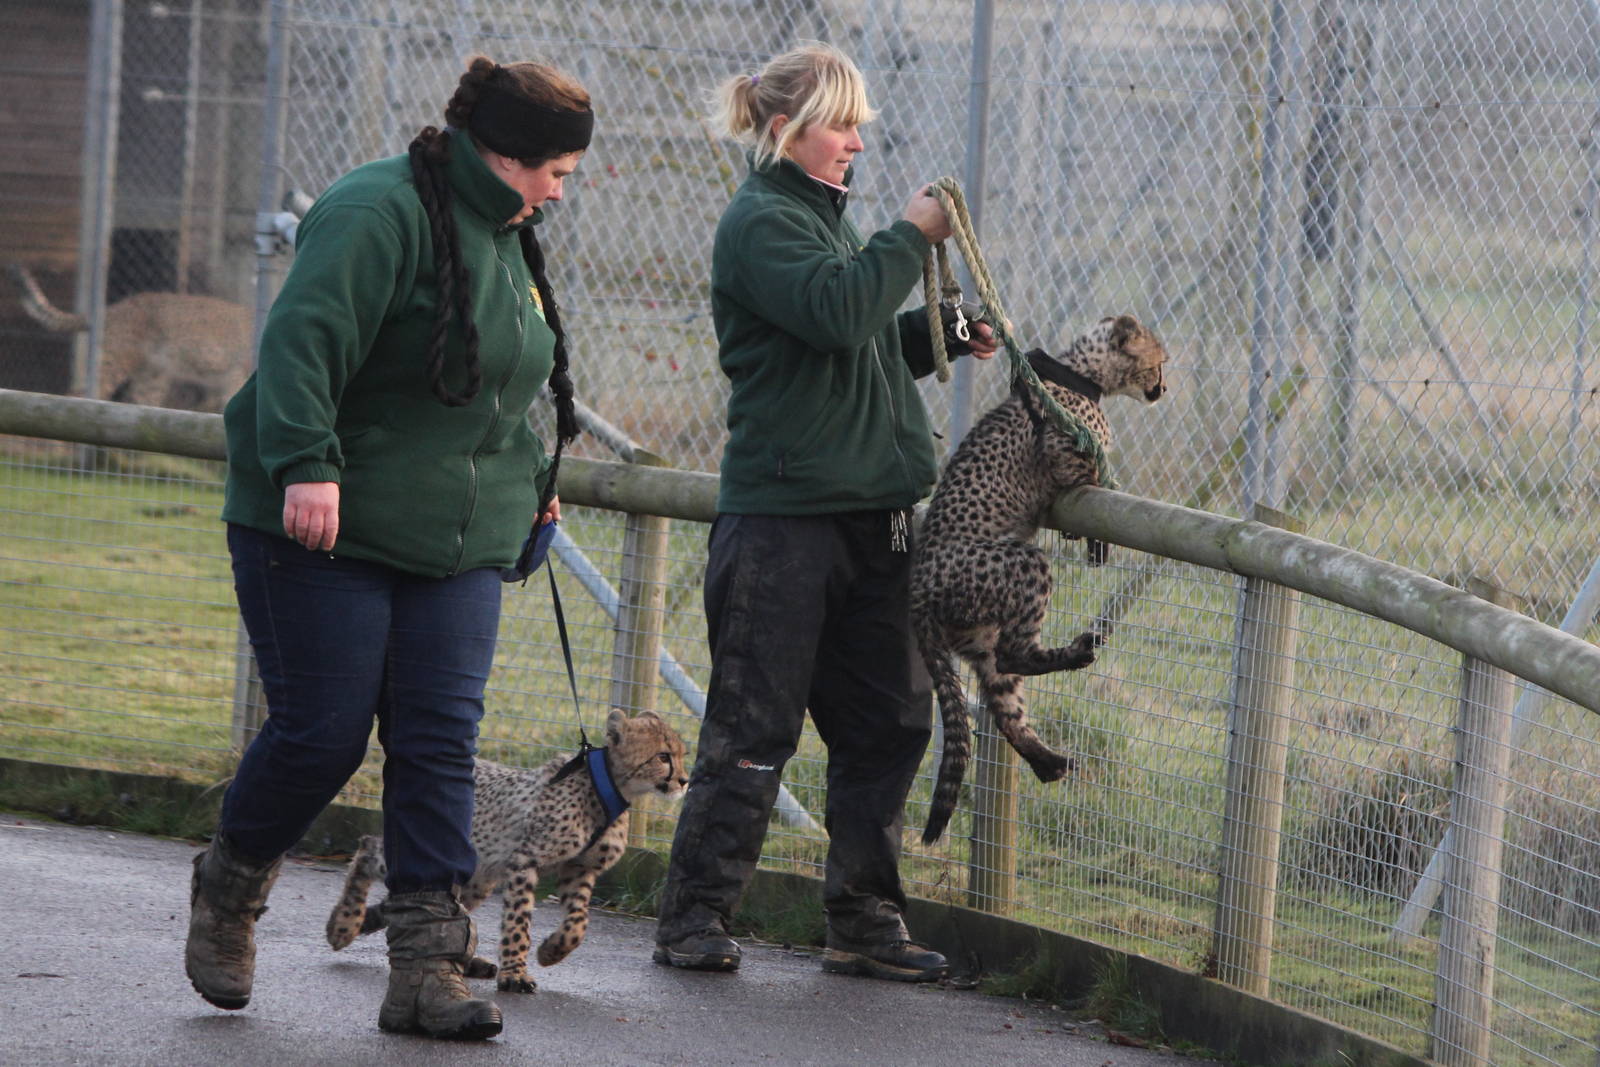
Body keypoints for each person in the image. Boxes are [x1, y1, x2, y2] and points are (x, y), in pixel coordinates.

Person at [184, 55, 592, 1041]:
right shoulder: (376, 211)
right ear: (504, 155)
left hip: (454, 540)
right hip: (327, 516)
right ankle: (230, 886)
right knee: (323, 730)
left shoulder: (505, 236)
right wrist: (304, 463)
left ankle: (426, 969)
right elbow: (301, 343)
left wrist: (529, 492)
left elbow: (500, 392)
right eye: (555, 172)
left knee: (437, 744)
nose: (558, 191)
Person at [653, 42, 997, 983]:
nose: (855, 142)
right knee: (753, 728)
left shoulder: (827, 222)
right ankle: (694, 914)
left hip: (874, 519)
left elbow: (858, 345)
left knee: (889, 723)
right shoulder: (762, 222)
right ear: (784, 131)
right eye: (841, 126)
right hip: (786, 522)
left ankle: (862, 916)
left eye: (858, 127)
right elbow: (838, 315)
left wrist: (942, 333)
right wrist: (911, 236)